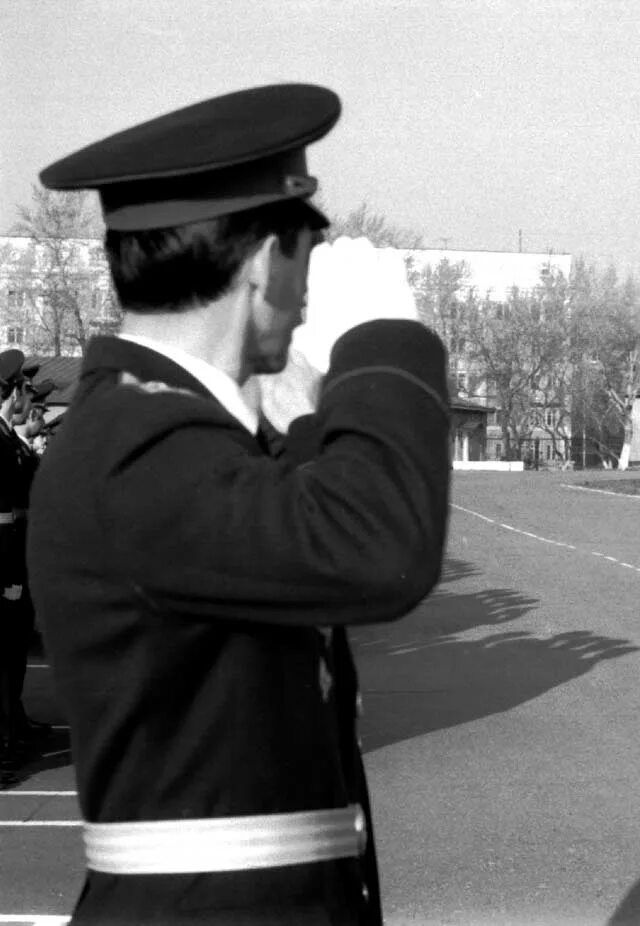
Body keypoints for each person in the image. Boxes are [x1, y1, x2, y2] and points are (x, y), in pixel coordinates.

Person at [29, 84, 451, 924]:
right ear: (264, 261)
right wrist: (384, 339)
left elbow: (289, 536)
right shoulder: (138, 446)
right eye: (304, 252)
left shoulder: (163, 431)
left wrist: (299, 411)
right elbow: (381, 550)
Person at [0, 351, 46, 773]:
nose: (30, 403)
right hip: (5, 563)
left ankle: (12, 729)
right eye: (25, 390)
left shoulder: (9, 443)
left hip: (15, 558)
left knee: (12, 657)